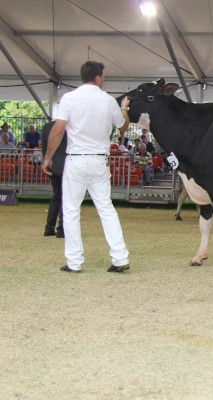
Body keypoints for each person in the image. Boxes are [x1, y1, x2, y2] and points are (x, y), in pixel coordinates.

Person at [42, 60, 131, 273]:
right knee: (106, 209)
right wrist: (124, 109)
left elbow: (57, 131)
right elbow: (123, 127)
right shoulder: (108, 100)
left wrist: (48, 158)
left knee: (71, 211)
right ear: (99, 78)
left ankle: (74, 262)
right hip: (100, 160)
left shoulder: (69, 99)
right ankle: (120, 258)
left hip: (76, 159)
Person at [41, 121, 67, 238]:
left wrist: (47, 159)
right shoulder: (70, 126)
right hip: (67, 165)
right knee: (66, 198)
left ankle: (49, 228)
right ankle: (61, 229)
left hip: (53, 165)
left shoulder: (47, 126)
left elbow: (44, 146)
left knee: (56, 197)